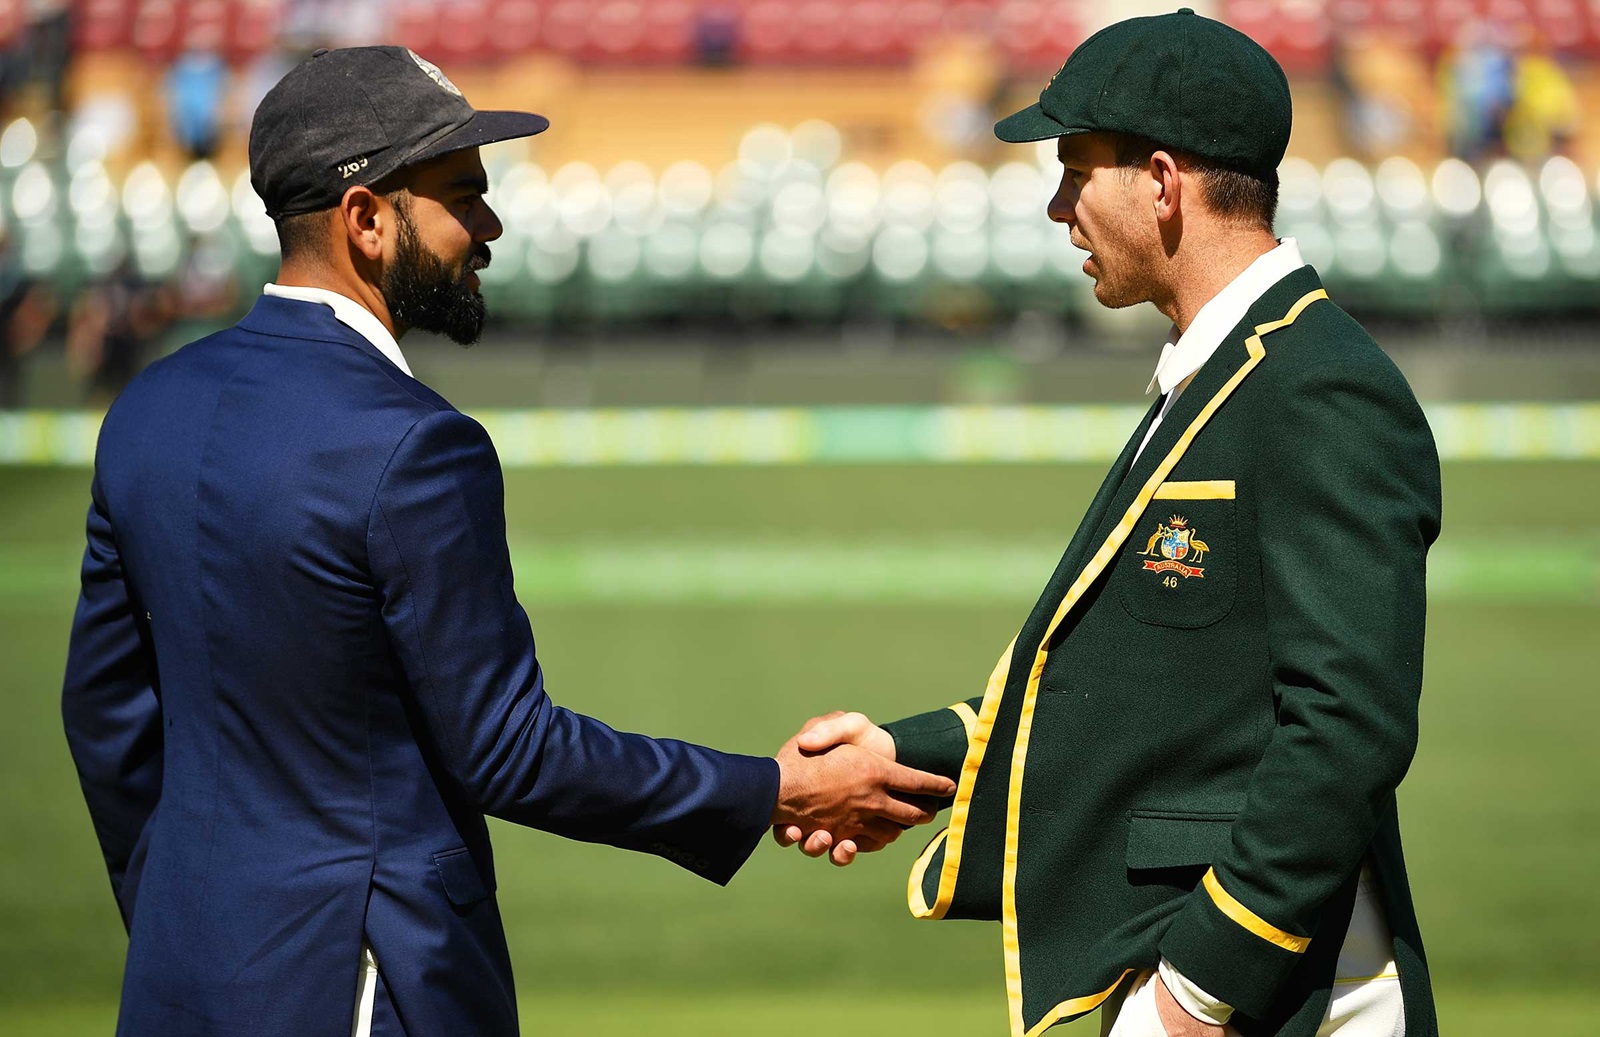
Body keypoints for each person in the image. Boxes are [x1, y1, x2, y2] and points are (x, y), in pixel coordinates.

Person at [60, 46, 954, 1037]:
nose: (489, 226)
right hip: (362, 986)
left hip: (178, 980)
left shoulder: (146, 409)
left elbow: (108, 721)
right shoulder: (414, 443)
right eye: (462, 196)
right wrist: (780, 785)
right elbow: (510, 747)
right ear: (365, 218)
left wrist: (190, 916)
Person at [782, 10, 1441, 1037]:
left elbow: (1347, 727)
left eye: (1074, 170)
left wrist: (1198, 988)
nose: (1056, 207)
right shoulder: (1221, 371)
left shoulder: (1317, 388)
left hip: (1274, 993)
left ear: (1163, 183)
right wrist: (896, 754)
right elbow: (1128, 686)